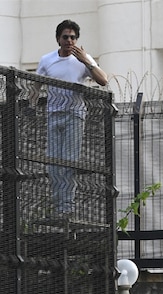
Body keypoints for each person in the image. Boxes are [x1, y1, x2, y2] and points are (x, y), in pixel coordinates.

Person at [35, 19, 109, 217]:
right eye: (65, 37)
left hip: (74, 115)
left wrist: (86, 60)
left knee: (69, 162)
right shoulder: (47, 60)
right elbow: (35, 87)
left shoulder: (83, 59)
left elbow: (103, 80)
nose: (69, 41)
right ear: (58, 39)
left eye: (73, 37)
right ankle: (57, 205)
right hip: (53, 114)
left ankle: (66, 208)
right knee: (53, 164)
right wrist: (30, 106)